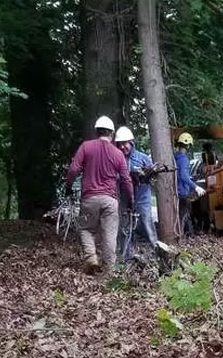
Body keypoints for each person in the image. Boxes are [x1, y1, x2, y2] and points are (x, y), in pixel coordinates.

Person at [64, 116, 134, 274]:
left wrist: (68, 186)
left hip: (89, 199)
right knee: (109, 234)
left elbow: (74, 169)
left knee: (86, 229)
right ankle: (109, 270)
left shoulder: (86, 147)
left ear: (96, 131)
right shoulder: (117, 153)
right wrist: (131, 200)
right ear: (111, 133)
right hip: (110, 200)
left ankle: (91, 258)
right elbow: (126, 179)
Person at [114, 126, 157, 258]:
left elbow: (154, 177)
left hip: (142, 198)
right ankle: (125, 256)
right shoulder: (117, 159)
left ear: (131, 143)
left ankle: (157, 252)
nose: (122, 147)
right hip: (125, 198)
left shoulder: (143, 158)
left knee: (147, 223)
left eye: (125, 144)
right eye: (120, 144)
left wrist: (145, 175)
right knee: (125, 227)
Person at [174, 132, 204, 237]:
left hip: (176, 190)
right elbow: (183, 176)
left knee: (184, 215)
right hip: (182, 192)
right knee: (183, 215)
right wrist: (196, 187)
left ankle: (188, 234)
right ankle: (181, 237)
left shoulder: (175, 156)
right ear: (188, 145)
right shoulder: (183, 159)